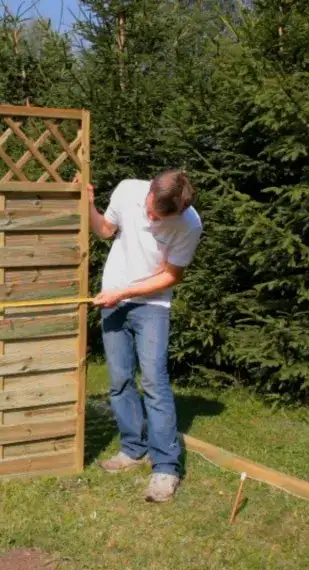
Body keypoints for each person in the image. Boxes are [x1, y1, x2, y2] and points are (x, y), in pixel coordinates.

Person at [86, 170, 202, 503]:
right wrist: (88, 206)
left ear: (177, 212)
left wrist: (125, 292)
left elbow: (170, 275)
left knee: (153, 381)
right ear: (150, 189)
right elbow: (105, 231)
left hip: (151, 306)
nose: (151, 218)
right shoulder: (126, 191)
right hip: (113, 301)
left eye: (159, 217)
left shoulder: (189, 224)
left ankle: (166, 467)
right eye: (150, 210)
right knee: (120, 380)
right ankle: (132, 449)